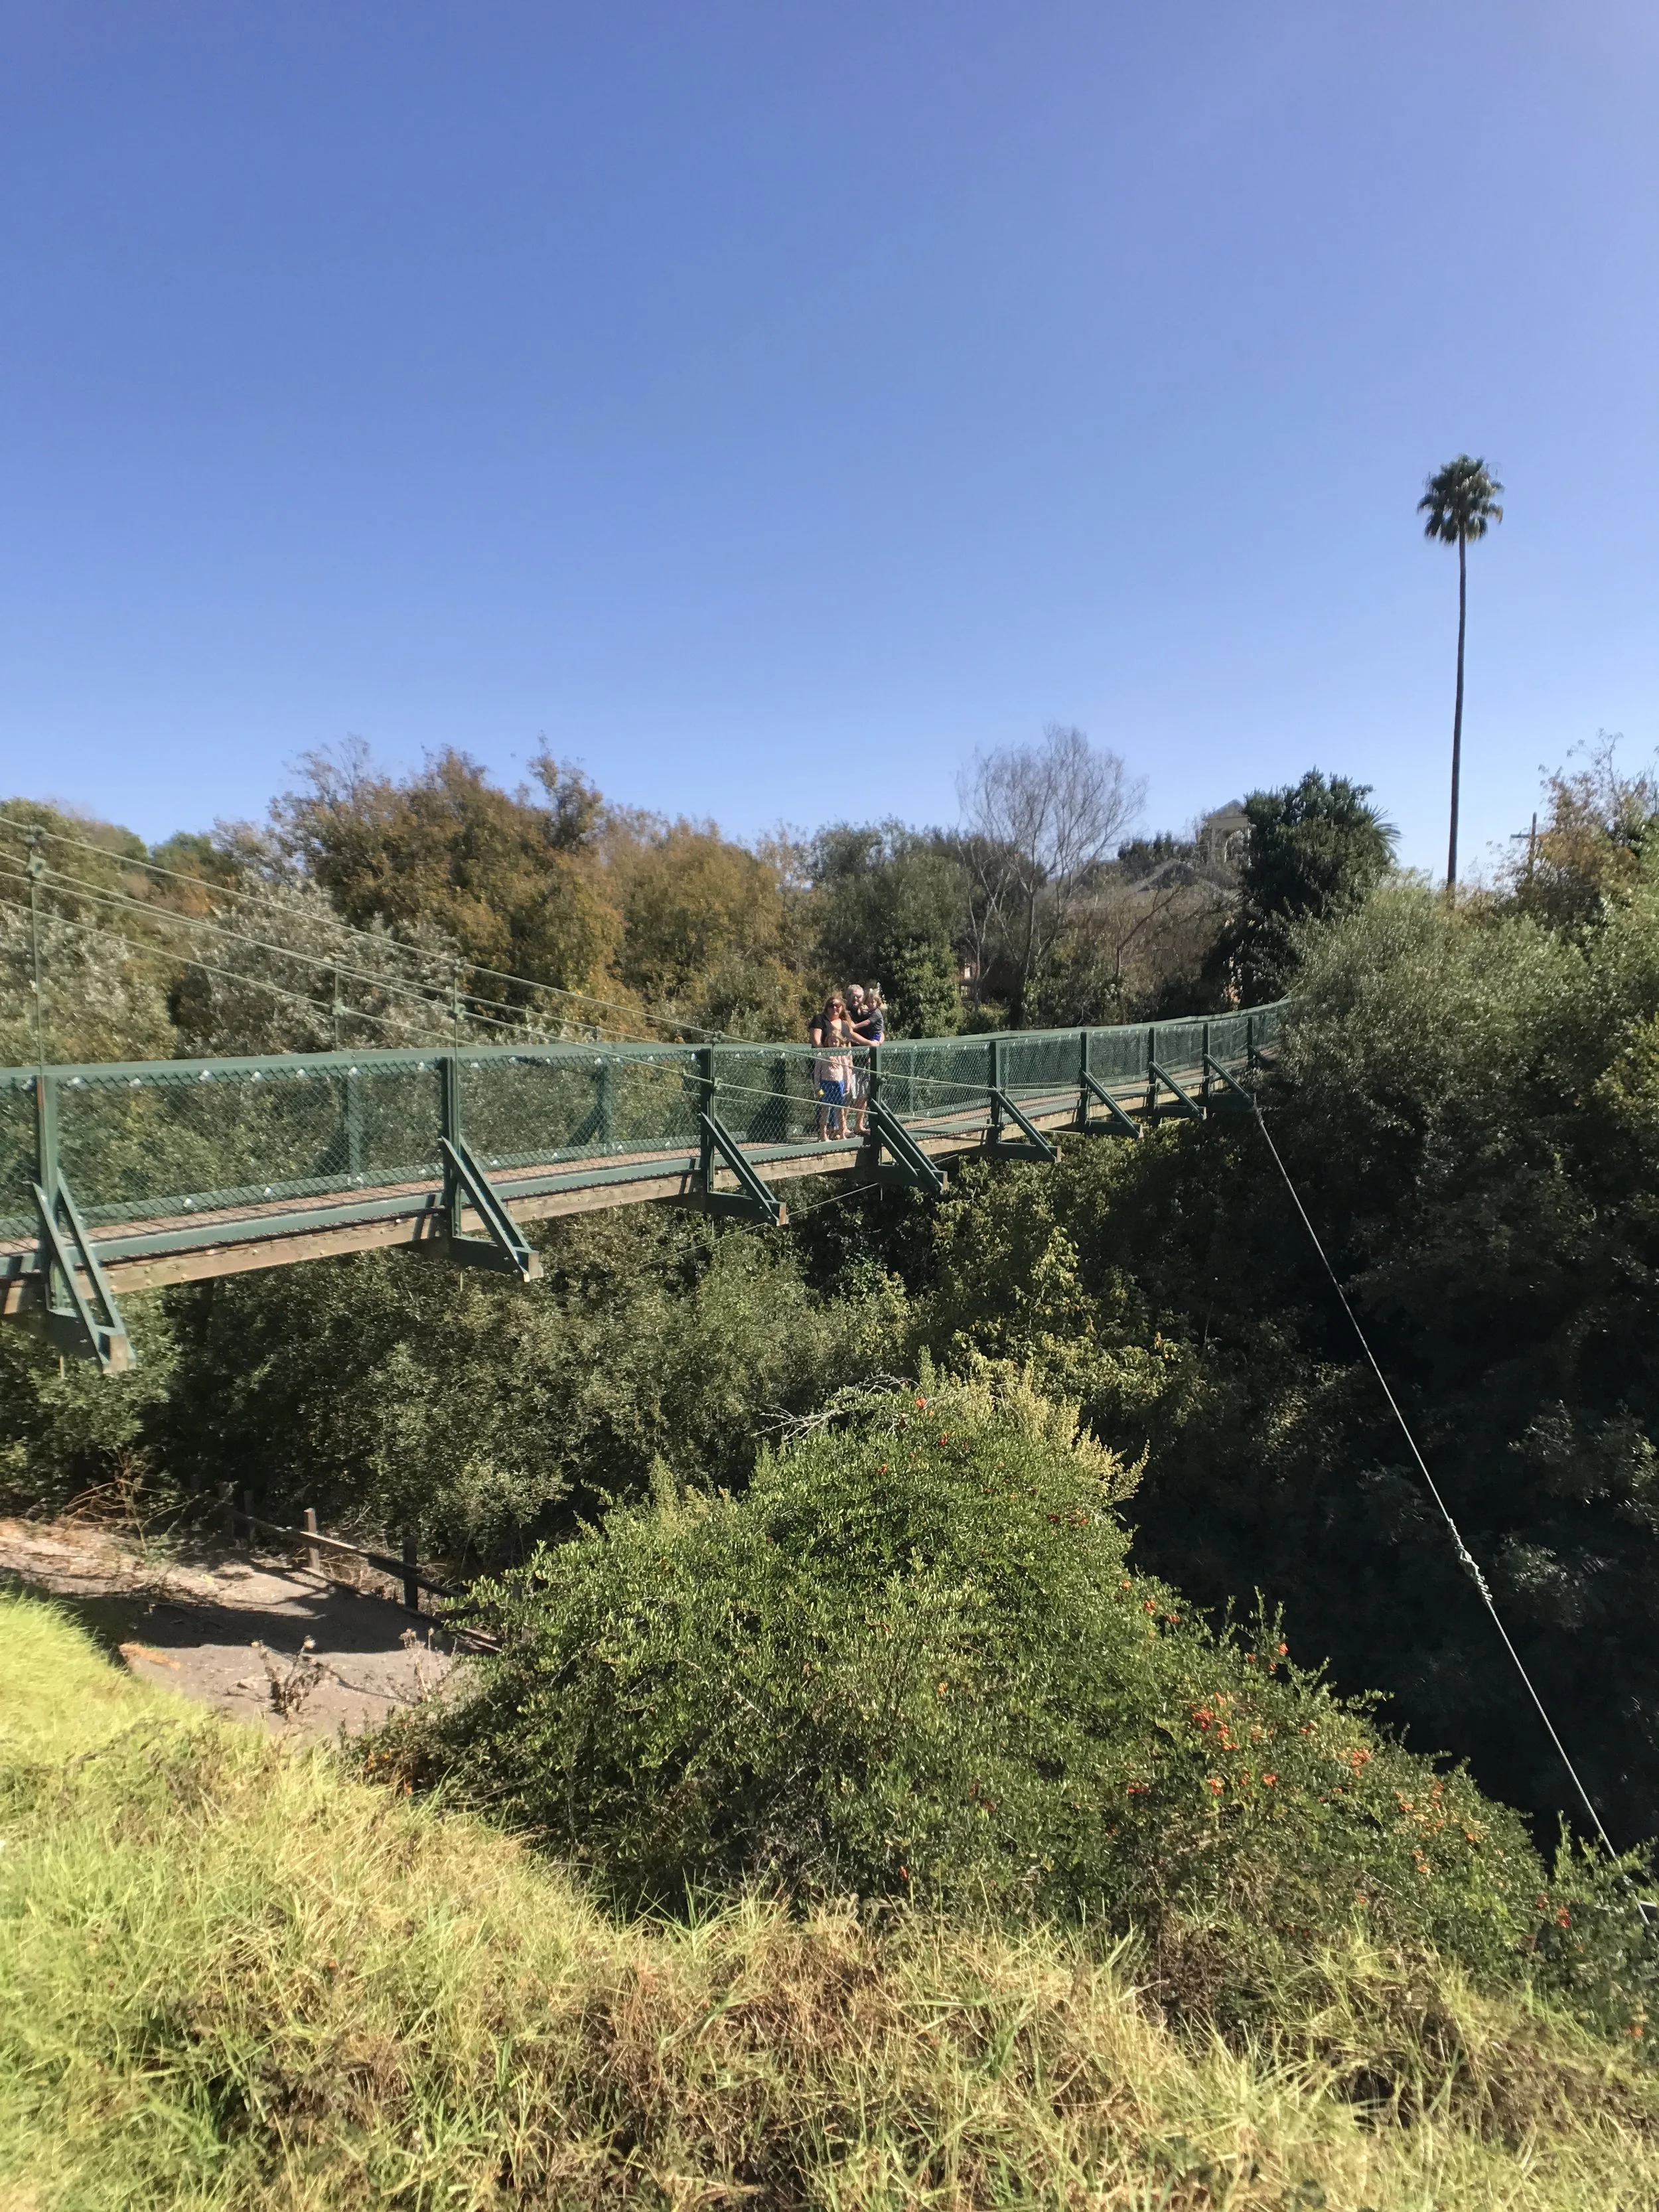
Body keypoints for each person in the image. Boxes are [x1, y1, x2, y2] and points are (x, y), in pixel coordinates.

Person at [846, 982, 885, 1134]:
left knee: (863, 1094)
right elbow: (850, 1033)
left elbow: (880, 1031)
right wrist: (869, 1043)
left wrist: (878, 1042)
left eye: (858, 996)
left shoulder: (868, 1012)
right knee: (849, 1094)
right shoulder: (846, 1013)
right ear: (847, 997)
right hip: (850, 1059)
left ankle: (859, 1125)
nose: (855, 999)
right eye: (852, 996)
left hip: (866, 1059)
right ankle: (843, 1127)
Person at [812, 992, 851, 1139]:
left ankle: (840, 1131)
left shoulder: (841, 1052)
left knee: (840, 1107)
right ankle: (823, 1133)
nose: (835, 1008)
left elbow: (846, 1069)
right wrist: (817, 1088)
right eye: (832, 1006)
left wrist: (847, 1084)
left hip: (839, 1084)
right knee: (825, 1107)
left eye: (838, 1005)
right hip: (824, 1084)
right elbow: (816, 1072)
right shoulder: (823, 1055)